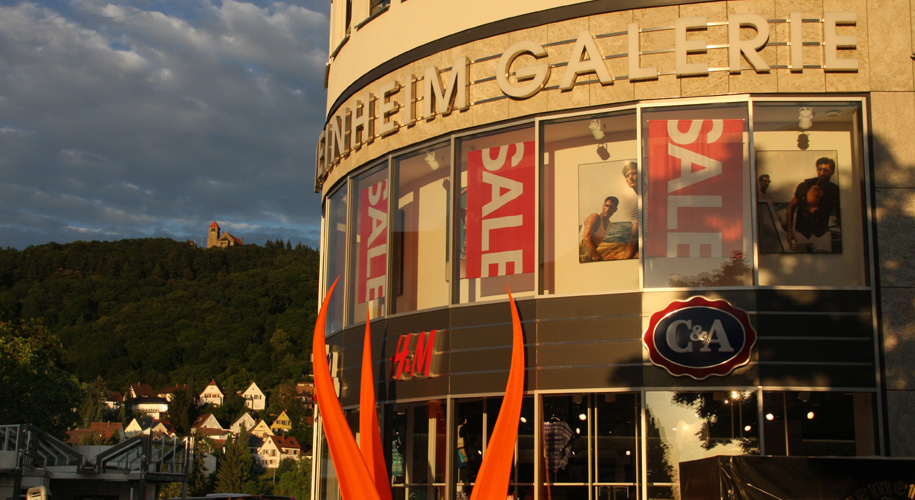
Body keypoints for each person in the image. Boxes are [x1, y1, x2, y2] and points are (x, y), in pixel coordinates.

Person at [785, 157, 840, 253]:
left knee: (824, 261)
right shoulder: (804, 186)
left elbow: (841, 212)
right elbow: (790, 207)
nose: (821, 173)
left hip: (821, 233)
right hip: (800, 231)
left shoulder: (834, 190)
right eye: (819, 169)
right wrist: (790, 231)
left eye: (825, 170)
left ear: (832, 172)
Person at [579, 196, 618, 262]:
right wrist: (599, 258)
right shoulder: (594, 217)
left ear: (615, 210)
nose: (607, 209)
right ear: (603, 206)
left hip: (589, 255)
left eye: (611, 207)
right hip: (578, 255)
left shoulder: (609, 224)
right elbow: (586, 240)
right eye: (606, 206)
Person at [620, 161, 639, 259]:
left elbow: (634, 239)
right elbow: (635, 238)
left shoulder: (653, 193)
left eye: (634, 173)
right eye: (627, 176)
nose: (630, 177)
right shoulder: (636, 206)